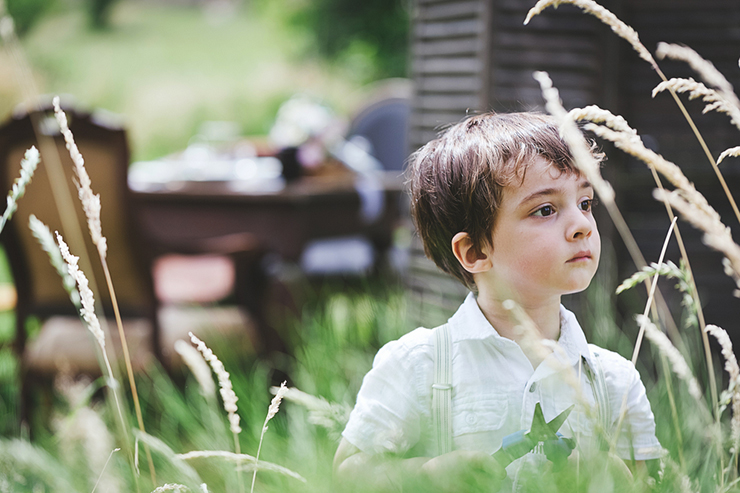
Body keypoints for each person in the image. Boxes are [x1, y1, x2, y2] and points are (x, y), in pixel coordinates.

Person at [333, 112, 663, 492]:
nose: (583, 225)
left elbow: (652, 484)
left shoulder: (614, 381)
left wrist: (600, 475)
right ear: (474, 251)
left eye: (585, 203)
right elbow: (348, 474)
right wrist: (427, 476)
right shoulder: (419, 364)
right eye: (546, 210)